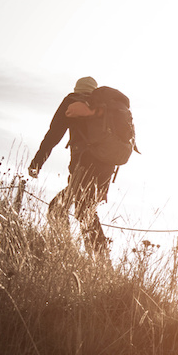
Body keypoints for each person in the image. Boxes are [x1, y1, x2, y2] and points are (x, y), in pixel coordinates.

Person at [27, 76, 112, 258]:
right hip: (107, 169)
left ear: (77, 89)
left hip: (84, 166)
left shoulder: (73, 101)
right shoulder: (105, 109)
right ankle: (99, 260)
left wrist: (37, 163)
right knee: (85, 211)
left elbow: (53, 135)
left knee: (59, 209)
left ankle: (66, 253)